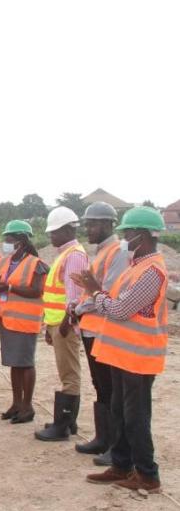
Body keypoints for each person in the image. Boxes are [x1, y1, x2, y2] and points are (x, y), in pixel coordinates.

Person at [80, 206, 168, 493]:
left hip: (139, 358)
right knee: (119, 411)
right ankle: (121, 465)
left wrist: (95, 292)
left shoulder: (152, 271)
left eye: (128, 233)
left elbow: (119, 309)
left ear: (141, 236)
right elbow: (115, 302)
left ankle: (147, 474)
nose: (125, 239)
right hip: (121, 355)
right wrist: (101, 295)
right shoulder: (135, 267)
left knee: (136, 417)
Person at [71, 202, 128, 462]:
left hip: (103, 329)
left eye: (92, 224)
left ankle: (114, 447)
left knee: (110, 387)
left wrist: (80, 306)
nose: (88, 229)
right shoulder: (102, 251)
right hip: (91, 328)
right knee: (101, 386)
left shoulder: (117, 252)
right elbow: (92, 288)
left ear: (107, 224)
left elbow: (105, 291)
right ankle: (103, 439)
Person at [36, 206, 88, 441]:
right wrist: (50, 324)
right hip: (58, 323)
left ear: (68, 229)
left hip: (65, 324)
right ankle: (67, 422)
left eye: (55, 232)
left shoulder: (74, 255)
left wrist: (67, 322)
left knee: (69, 374)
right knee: (66, 372)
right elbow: (55, 296)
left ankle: (63, 425)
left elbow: (74, 296)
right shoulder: (64, 254)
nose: (51, 237)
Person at [0, 220, 48, 423]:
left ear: (21, 240)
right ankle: (16, 403)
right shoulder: (5, 262)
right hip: (8, 319)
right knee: (14, 364)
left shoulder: (36, 264)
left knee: (25, 364)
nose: (6, 243)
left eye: (9, 239)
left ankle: (27, 406)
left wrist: (10, 289)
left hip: (25, 322)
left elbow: (36, 290)